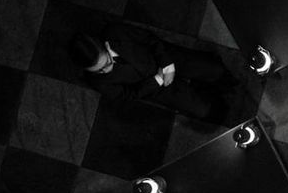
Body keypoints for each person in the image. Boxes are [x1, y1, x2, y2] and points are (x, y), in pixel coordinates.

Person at [70, 23, 237, 125]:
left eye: (107, 63)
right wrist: (157, 80)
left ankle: (229, 84)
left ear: (105, 45)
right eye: (99, 70)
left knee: (215, 70)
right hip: (153, 88)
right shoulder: (96, 81)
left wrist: (167, 65)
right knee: (204, 111)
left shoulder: (116, 32)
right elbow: (128, 96)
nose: (105, 71)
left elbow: (149, 39)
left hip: (165, 58)